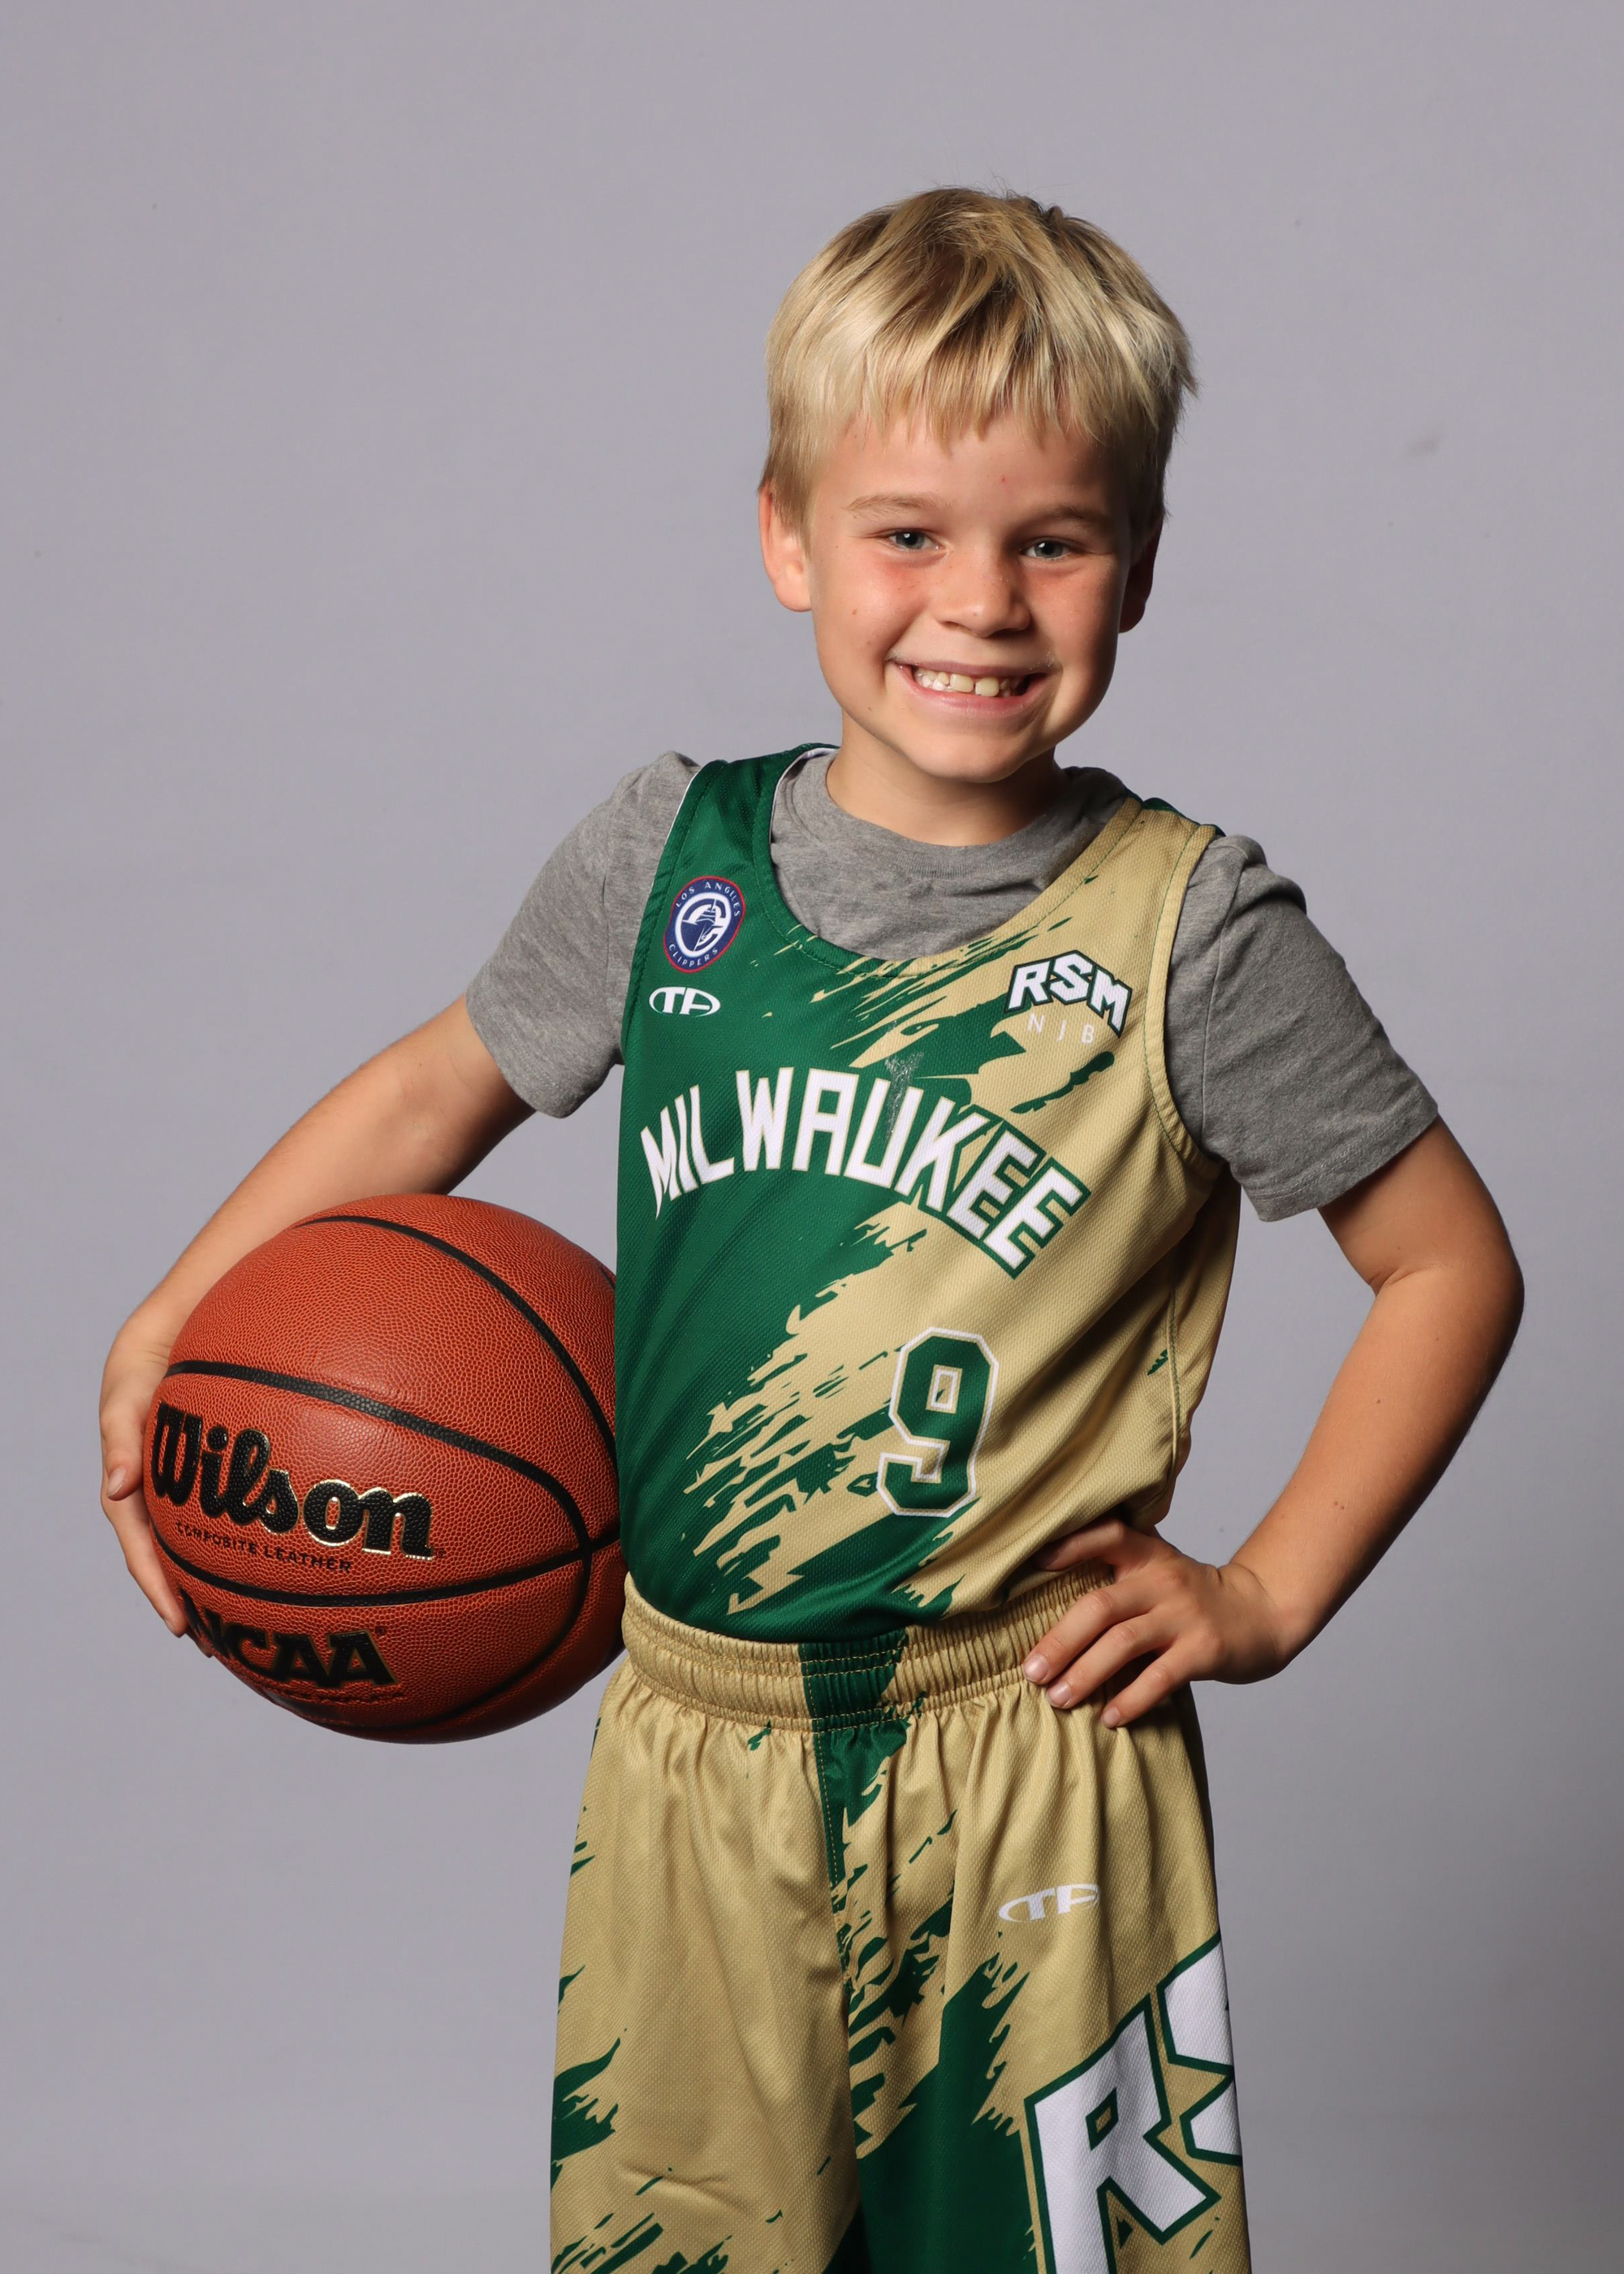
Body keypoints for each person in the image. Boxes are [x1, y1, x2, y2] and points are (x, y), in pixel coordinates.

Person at [100, 189, 1523, 2272]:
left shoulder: (1189, 929)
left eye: (1054, 540)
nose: (981, 601)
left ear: (1139, 560)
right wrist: (176, 1312)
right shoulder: (663, 860)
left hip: (1032, 1745)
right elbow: (429, 1092)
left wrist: (1267, 1592)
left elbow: (1448, 1261)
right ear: (787, 538)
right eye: (907, 532)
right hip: (696, 1738)